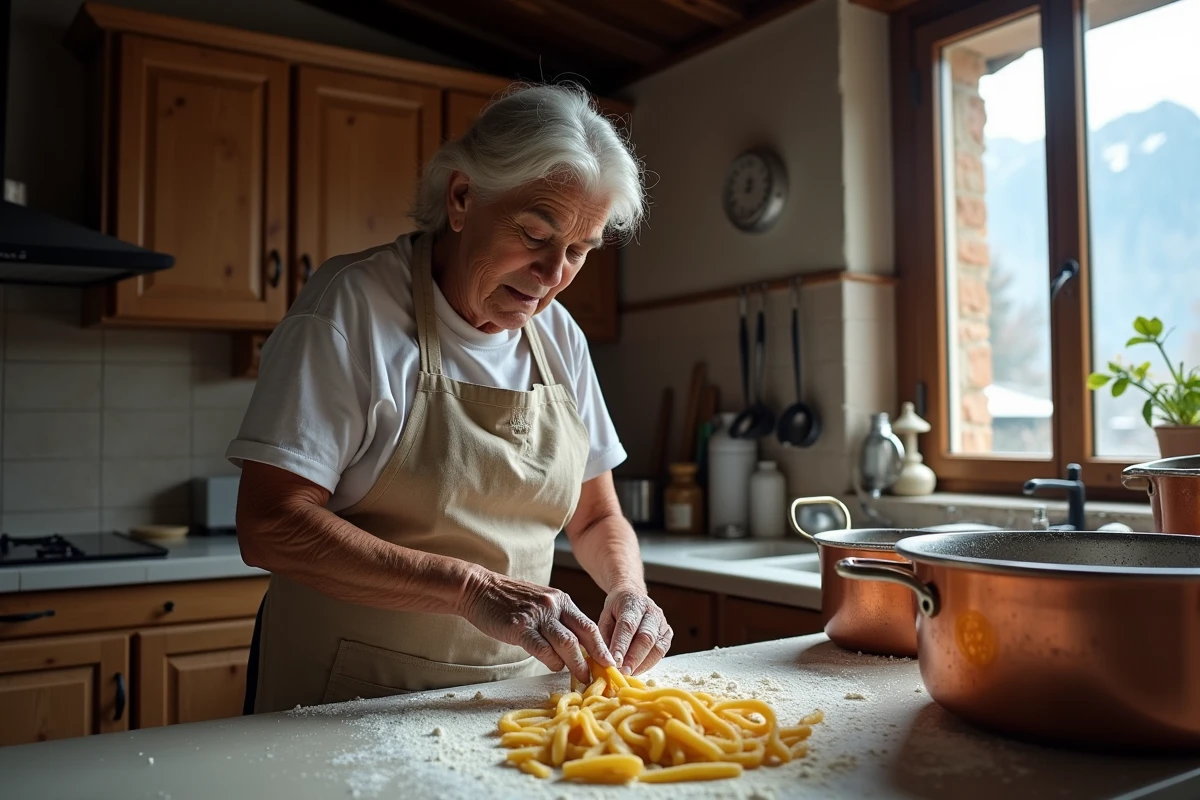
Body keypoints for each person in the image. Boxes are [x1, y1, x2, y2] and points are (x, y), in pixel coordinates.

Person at [227, 83, 670, 714]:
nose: (552, 278)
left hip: (505, 703)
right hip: (341, 700)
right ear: (462, 198)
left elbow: (596, 518)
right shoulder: (351, 309)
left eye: (577, 252)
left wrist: (629, 589)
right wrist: (470, 589)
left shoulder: (560, 336)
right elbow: (271, 524)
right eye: (534, 235)